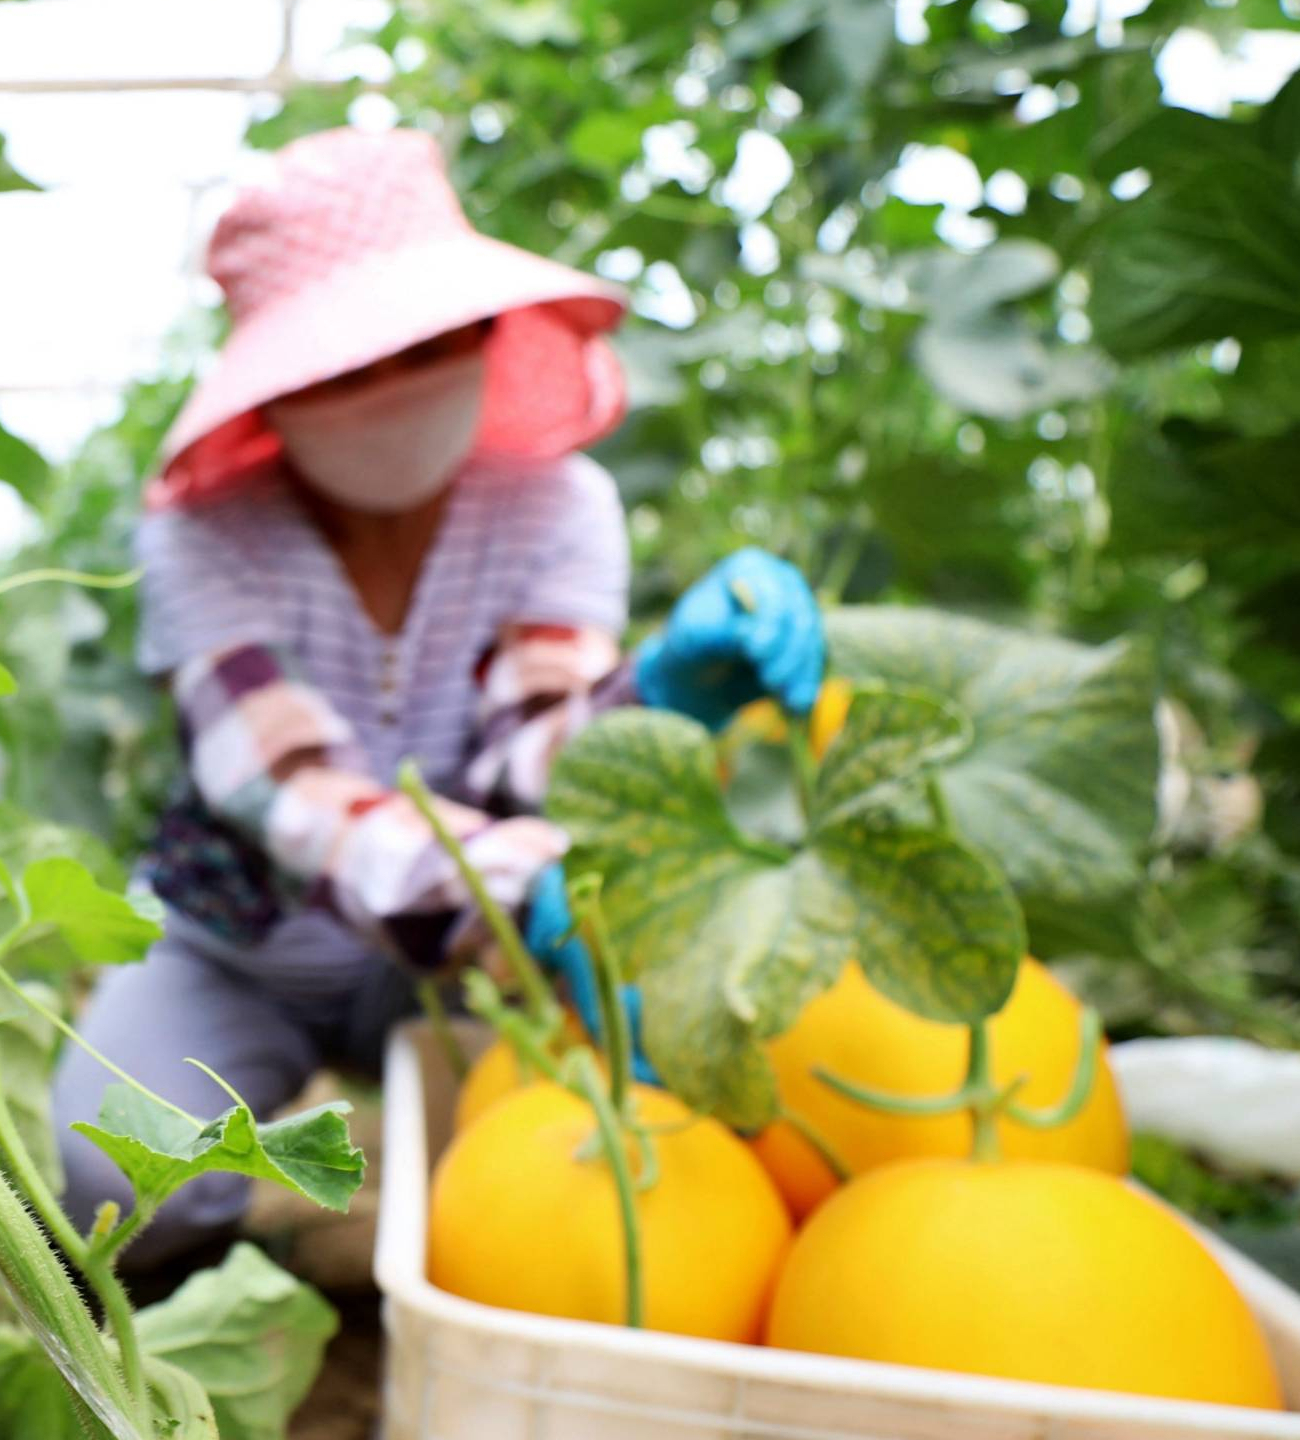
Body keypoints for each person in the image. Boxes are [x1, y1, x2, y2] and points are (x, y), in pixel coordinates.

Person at [53, 127, 824, 1266]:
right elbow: (288, 792)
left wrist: (654, 702)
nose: (390, 387)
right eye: (345, 367)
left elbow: (538, 755)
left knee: (554, 1193)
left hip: (463, 970)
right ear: (278, 393)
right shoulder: (204, 540)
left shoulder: (555, 507)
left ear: (482, 334)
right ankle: (190, 1285)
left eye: (423, 345)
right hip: (243, 948)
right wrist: (525, 884)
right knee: (111, 1178)